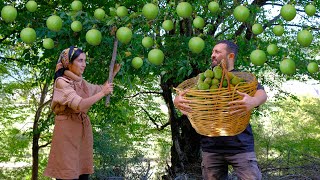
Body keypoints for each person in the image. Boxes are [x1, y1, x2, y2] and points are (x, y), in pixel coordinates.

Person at [173, 40, 267, 180]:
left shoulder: (242, 79)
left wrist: (253, 101)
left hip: (240, 146)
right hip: (211, 147)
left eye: (217, 52)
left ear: (230, 56)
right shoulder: (203, 80)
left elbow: (262, 94)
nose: (212, 55)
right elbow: (185, 96)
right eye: (212, 51)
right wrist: (177, 101)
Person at [44, 46, 121, 180]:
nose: (84, 64)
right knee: (67, 174)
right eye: (80, 61)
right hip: (67, 133)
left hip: (81, 132)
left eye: (85, 61)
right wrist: (103, 93)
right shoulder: (62, 82)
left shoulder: (81, 82)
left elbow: (101, 89)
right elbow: (79, 104)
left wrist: (113, 73)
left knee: (82, 173)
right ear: (69, 63)